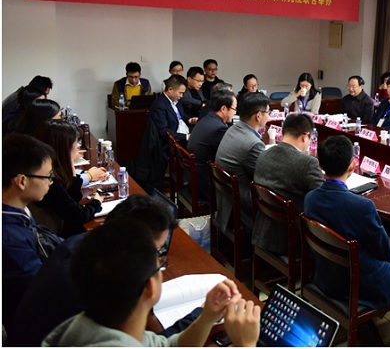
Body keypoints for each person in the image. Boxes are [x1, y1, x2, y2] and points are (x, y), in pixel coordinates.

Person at [9, 194, 201, 346]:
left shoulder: (83, 248)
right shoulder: (98, 284)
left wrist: (204, 317)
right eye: (155, 252)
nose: (156, 261)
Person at [41, 219, 261, 347]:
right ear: (149, 287)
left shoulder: (91, 324)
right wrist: (246, 344)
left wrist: (206, 317)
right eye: (159, 266)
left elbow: (168, 345)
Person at [304, 135, 390, 309]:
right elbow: (386, 252)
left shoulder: (310, 198)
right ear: (352, 166)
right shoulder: (362, 206)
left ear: (320, 165)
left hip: (325, 275)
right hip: (358, 283)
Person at [2, 134, 59, 326]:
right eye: (48, 176)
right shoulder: (10, 239)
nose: (51, 182)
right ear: (22, 181)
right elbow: (43, 289)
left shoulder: (17, 210)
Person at [252, 113, 324, 256]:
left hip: (263, 231)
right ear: (305, 136)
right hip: (292, 238)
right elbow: (324, 198)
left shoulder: (264, 154)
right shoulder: (307, 163)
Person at [33, 121, 106, 237]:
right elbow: (78, 216)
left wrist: (70, 163)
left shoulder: (53, 168)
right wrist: (96, 202)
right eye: (76, 143)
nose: (78, 147)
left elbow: (72, 196)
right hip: (57, 236)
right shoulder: (50, 180)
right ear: (64, 148)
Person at [215, 91, 270, 232]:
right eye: (268, 112)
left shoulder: (233, 128)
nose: (269, 116)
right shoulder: (253, 143)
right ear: (258, 116)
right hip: (242, 202)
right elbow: (267, 176)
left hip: (226, 196)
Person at [187, 90, 237, 204]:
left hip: (195, 177)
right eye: (234, 109)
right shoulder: (218, 128)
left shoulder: (208, 118)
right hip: (206, 183)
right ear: (223, 109)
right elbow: (232, 152)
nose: (235, 113)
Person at [148, 74, 191, 163]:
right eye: (180, 93)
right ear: (170, 90)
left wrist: (190, 120)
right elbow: (164, 132)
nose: (182, 96)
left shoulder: (177, 101)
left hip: (185, 133)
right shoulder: (159, 105)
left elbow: (180, 117)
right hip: (173, 142)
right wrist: (186, 137)